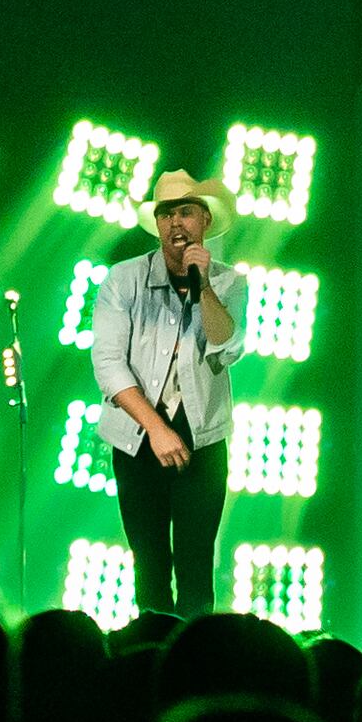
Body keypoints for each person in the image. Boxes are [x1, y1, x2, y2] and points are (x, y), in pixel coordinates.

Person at [88, 170, 249, 620]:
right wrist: (156, 429)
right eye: (165, 214)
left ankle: (193, 669)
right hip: (138, 436)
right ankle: (150, 665)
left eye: (185, 213)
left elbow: (226, 347)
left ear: (203, 222)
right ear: (157, 224)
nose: (175, 223)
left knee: (197, 566)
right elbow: (108, 365)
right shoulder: (123, 281)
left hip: (203, 438)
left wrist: (204, 285)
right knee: (150, 566)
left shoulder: (230, 282)